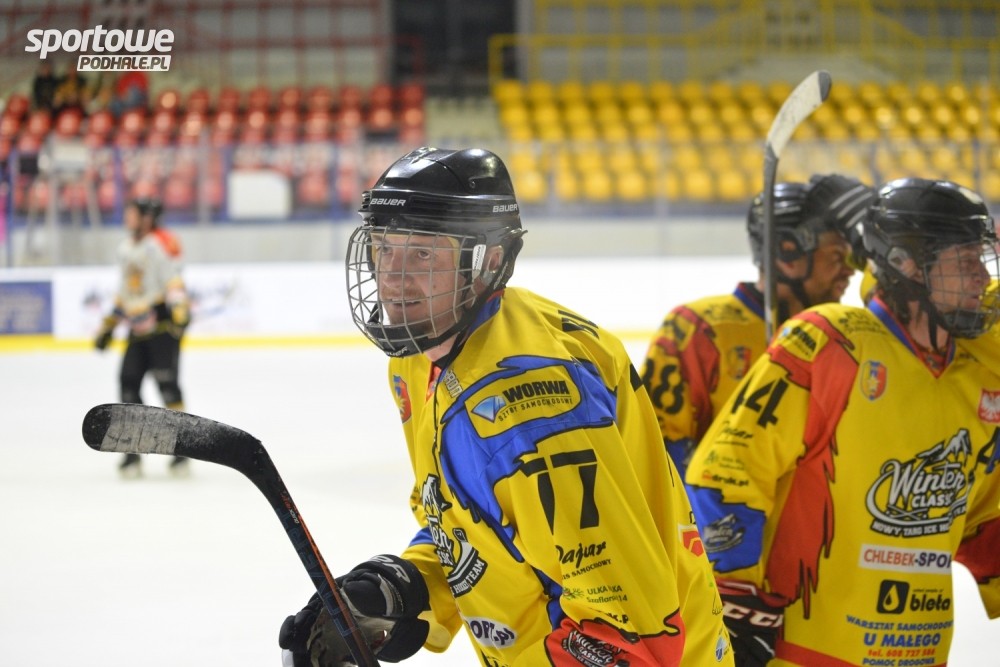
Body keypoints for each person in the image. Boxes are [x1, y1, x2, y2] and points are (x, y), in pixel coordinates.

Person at [278, 147, 735, 666]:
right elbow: (474, 524)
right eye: (384, 249)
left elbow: (629, 632)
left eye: (423, 254)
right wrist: (402, 588)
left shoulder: (532, 407)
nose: (393, 279)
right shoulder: (420, 358)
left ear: (489, 261)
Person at [685, 177, 1000, 666]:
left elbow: (982, 516)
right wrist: (735, 603)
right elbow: (726, 473)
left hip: (924, 651)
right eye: (965, 261)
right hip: (807, 651)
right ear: (907, 264)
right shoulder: (830, 343)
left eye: (982, 258)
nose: (982, 277)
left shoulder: (974, 377)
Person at [640, 174, 874, 477]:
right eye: (836, 256)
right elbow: (660, 446)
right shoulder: (697, 329)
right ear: (788, 251)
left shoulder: (843, 336)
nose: (849, 271)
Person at [94, 197, 190, 478]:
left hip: (161, 328)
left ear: (146, 218)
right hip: (136, 332)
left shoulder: (159, 245)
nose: (127, 218)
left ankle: (183, 449)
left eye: (132, 213)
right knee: (128, 385)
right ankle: (132, 453)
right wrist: (108, 327)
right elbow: (125, 292)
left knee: (167, 386)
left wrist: (179, 309)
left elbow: (172, 280)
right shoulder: (125, 248)